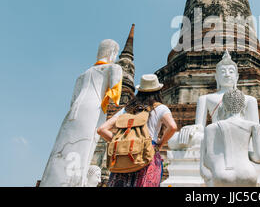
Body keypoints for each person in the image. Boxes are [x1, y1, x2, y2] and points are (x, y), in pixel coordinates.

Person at [40, 39, 122, 187]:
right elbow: (115, 96)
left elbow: (72, 100)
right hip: (93, 108)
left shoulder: (82, 75)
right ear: (113, 53)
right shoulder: (114, 68)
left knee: (62, 148)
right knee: (85, 147)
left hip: (74, 111)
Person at [97, 74, 177, 187]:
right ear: (158, 91)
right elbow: (172, 127)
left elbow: (101, 129)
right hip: (147, 154)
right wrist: (160, 143)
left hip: (123, 158)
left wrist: (120, 142)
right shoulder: (160, 108)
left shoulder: (127, 110)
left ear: (140, 91)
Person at [200, 88, 260, 187]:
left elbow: (208, 158)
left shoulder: (210, 128)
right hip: (247, 172)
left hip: (222, 173)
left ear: (223, 106)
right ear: (243, 106)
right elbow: (259, 157)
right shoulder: (254, 126)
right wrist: (245, 152)